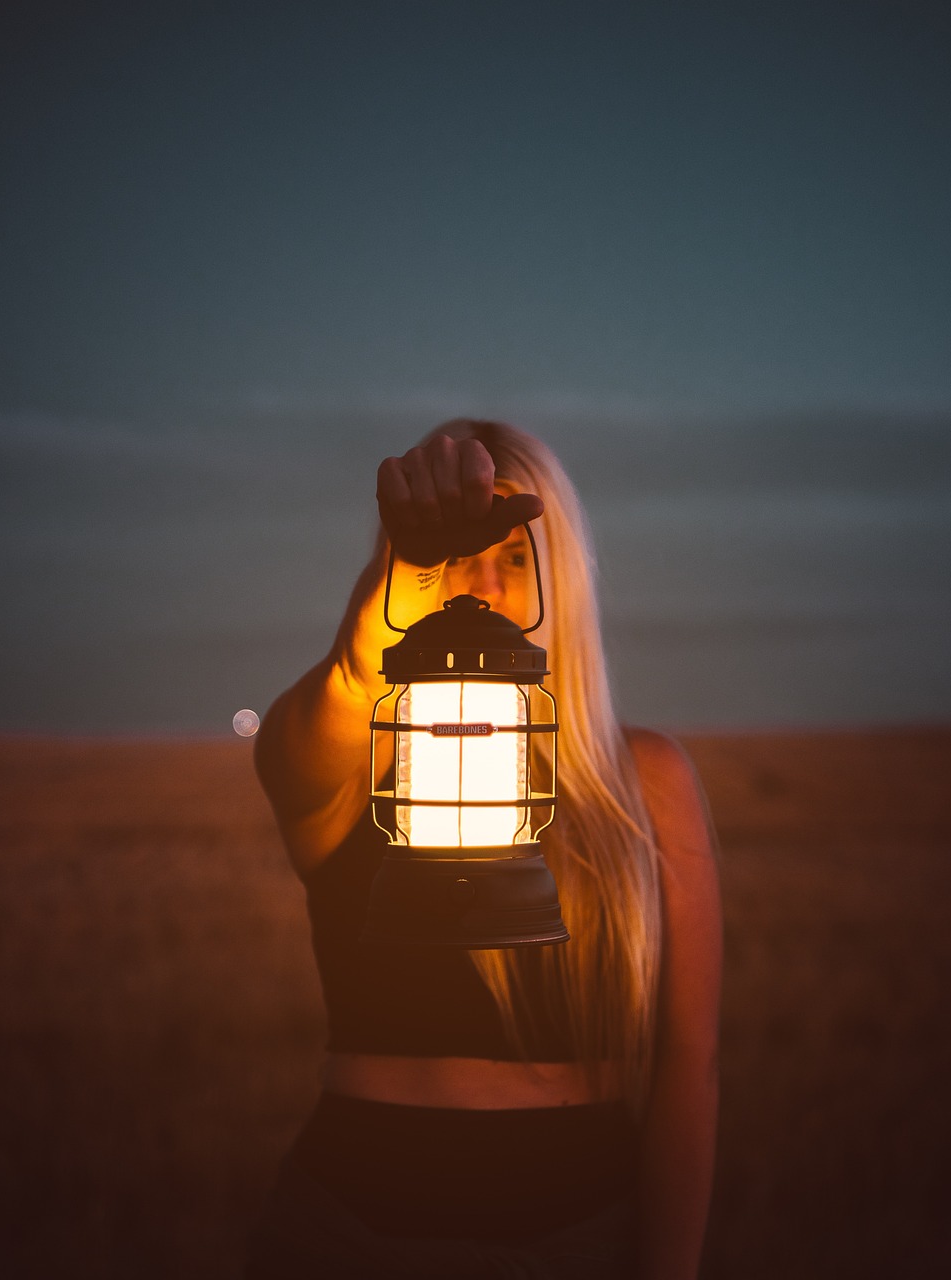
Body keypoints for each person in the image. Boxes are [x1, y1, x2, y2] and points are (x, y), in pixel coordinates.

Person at [247, 420, 721, 1279]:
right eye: (459, 558)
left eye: (513, 559)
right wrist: (404, 563)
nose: (484, 589)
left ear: (560, 580)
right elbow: (354, 683)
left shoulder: (643, 784)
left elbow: (688, 1070)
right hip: (347, 1235)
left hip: (578, 1237)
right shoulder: (356, 761)